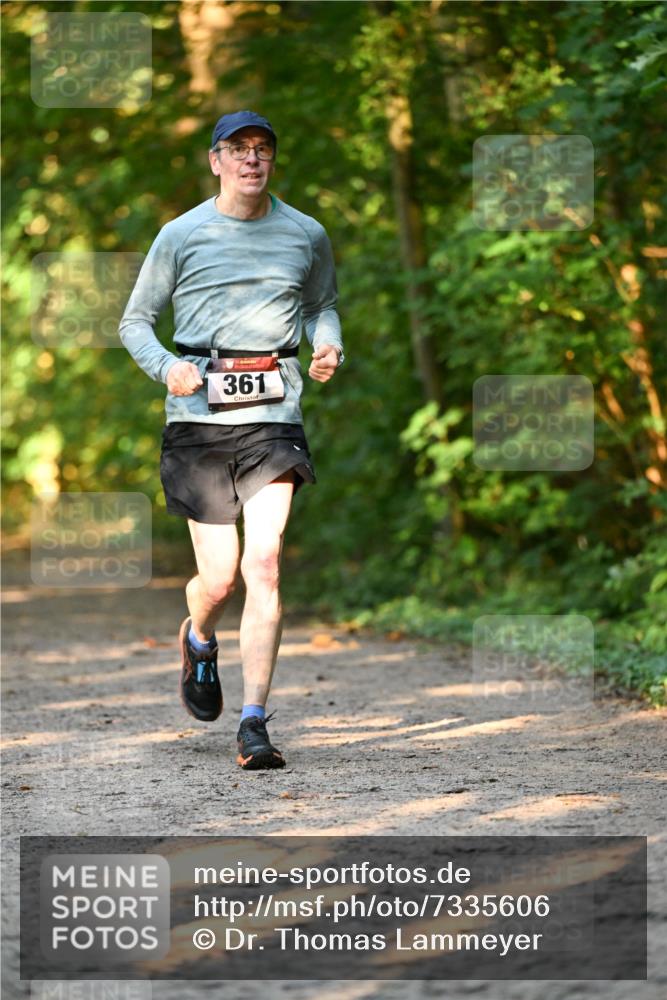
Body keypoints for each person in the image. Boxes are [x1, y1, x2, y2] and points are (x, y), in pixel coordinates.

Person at [119, 110, 343, 770]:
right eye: (238, 149)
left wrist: (327, 342)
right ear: (215, 160)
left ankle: (253, 722)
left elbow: (320, 302)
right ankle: (199, 638)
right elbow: (134, 322)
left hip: (274, 413)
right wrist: (169, 367)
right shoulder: (181, 233)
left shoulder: (305, 232)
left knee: (264, 563)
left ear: (272, 161)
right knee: (217, 581)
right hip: (198, 421)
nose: (252, 159)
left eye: (263, 149)